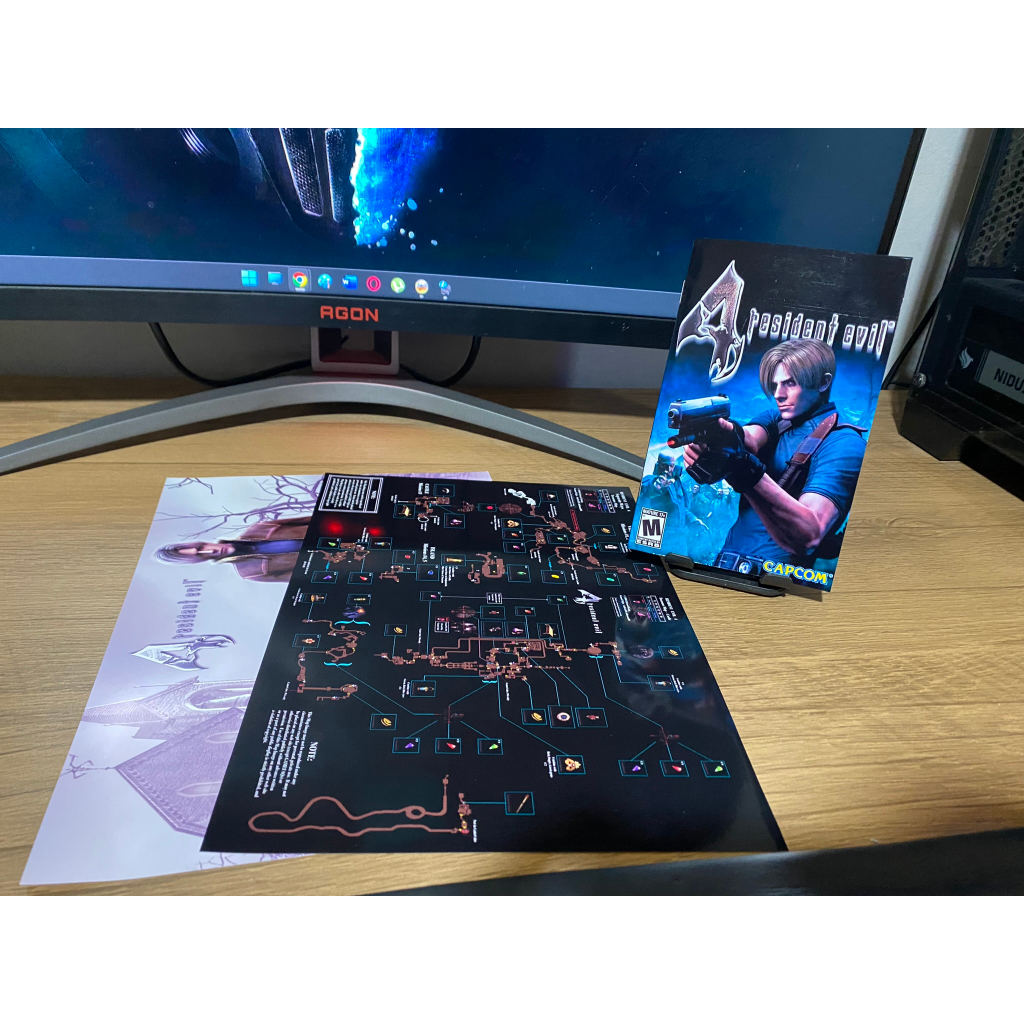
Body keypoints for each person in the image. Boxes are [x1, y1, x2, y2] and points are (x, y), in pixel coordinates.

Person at [681, 337, 866, 576]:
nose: (778, 394)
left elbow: (809, 535)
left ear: (823, 383)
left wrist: (745, 472)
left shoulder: (844, 443)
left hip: (775, 576)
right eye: (775, 384)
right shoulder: (778, 419)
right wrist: (715, 440)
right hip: (724, 564)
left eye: (790, 383)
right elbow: (747, 438)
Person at [155, 516, 310, 583]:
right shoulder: (251, 572)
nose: (209, 551)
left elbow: (311, 519)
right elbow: (300, 579)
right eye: (200, 555)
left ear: (203, 542)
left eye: (201, 548)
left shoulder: (259, 528)